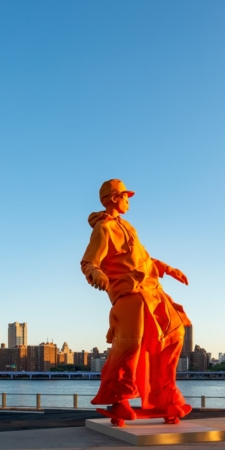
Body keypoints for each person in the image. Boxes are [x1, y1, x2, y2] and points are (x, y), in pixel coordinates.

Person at [81, 179, 191, 421]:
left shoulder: (129, 227)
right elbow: (89, 261)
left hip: (152, 290)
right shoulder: (104, 228)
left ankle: (167, 397)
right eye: (125, 197)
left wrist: (168, 268)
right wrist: (96, 272)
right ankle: (120, 400)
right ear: (114, 198)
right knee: (130, 346)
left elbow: (143, 258)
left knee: (175, 334)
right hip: (129, 295)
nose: (128, 201)